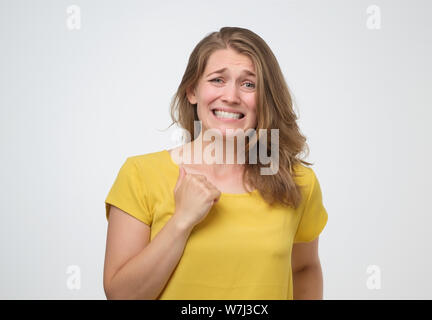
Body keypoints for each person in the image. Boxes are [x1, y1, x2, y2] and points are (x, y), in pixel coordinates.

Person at [103, 26, 328, 300]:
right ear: (192, 91)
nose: (231, 96)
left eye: (249, 84)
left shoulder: (297, 182)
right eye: (217, 80)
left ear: (265, 99)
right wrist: (181, 221)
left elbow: (304, 267)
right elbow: (121, 296)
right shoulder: (140, 175)